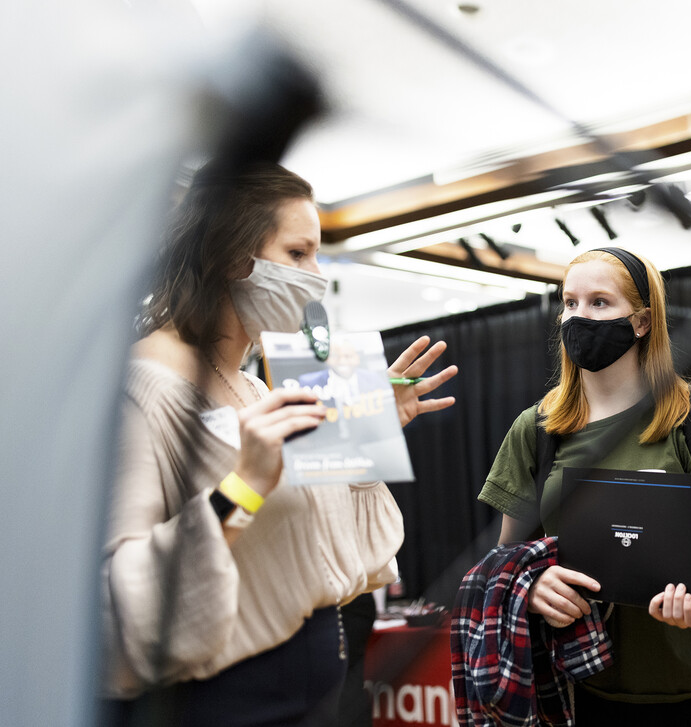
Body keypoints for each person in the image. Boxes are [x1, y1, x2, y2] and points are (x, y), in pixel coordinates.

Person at [100, 160, 458, 726]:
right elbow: (123, 603)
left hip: (315, 696)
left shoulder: (253, 384)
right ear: (228, 254)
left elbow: (345, 563)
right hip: (225, 706)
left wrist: (367, 435)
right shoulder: (137, 388)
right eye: (297, 254)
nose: (315, 276)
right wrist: (243, 485)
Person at [477, 247, 691, 724]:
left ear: (643, 321)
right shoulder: (537, 429)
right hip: (583, 689)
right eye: (569, 303)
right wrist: (534, 586)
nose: (578, 317)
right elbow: (505, 562)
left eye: (600, 303)